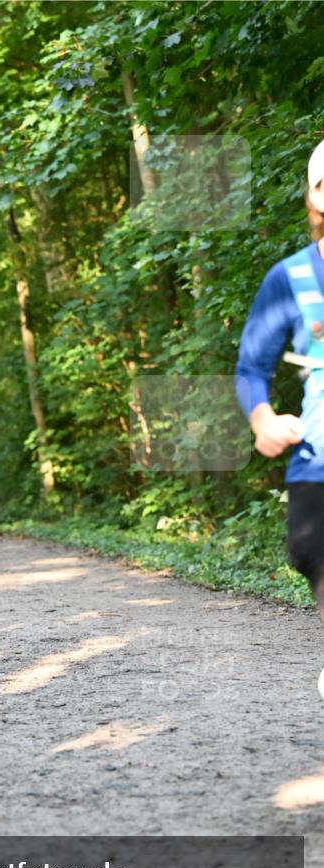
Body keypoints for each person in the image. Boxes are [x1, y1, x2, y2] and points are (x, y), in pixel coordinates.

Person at [236, 140, 324, 620]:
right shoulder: (289, 277)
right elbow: (251, 368)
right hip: (318, 459)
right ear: (315, 197)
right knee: (308, 549)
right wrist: (262, 418)